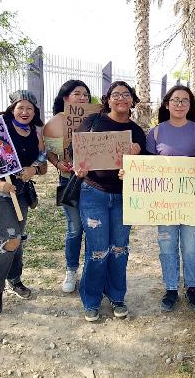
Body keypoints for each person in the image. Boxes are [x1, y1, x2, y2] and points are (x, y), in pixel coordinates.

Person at [74, 81, 147, 322]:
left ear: (132, 100)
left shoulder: (136, 131)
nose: (121, 98)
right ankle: (91, 300)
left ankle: (117, 296)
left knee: (119, 249)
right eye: (116, 94)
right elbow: (76, 153)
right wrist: (79, 167)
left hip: (124, 197)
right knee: (97, 250)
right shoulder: (93, 122)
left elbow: (146, 167)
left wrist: (137, 158)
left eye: (126, 94)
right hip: (93, 193)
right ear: (108, 99)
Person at [0, 90, 47, 314]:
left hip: (22, 193)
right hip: (0, 193)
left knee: (18, 238)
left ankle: (15, 280)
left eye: (29, 108)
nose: (25, 112)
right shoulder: (0, 130)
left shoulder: (36, 133)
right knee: (11, 238)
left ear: (35, 111)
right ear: (13, 109)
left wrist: (33, 169)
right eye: (20, 108)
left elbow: (43, 166)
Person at [146, 85, 195, 312]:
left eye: (185, 100)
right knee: (167, 245)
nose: (180, 104)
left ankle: (192, 287)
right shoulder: (155, 133)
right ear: (167, 104)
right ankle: (171, 288)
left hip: (194, 201)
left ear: (190, 105)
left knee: (191, 247)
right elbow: (146, 167)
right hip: (165, 201)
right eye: (175, 100)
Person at [43, 80, 91, 292]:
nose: (82, 97)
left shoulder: (95, 118)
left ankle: (91, 270)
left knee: (93, 228)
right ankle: (71, 270)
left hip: (94, 182)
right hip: (68, 181)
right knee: (75, 228)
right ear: (65, 97)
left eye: (85, 94)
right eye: (77, 93)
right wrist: (57, 163)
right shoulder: (54, 123)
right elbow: (48, 151)